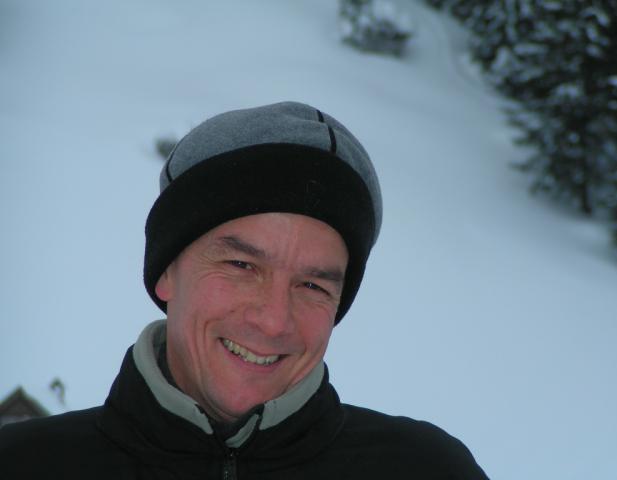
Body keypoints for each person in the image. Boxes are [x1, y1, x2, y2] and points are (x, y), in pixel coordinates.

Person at [0, 101, 488, 479]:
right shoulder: (26, 465)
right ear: (166, 271)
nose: (274, 320)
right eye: (241, 264)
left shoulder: (426, 469)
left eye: (313, 285)